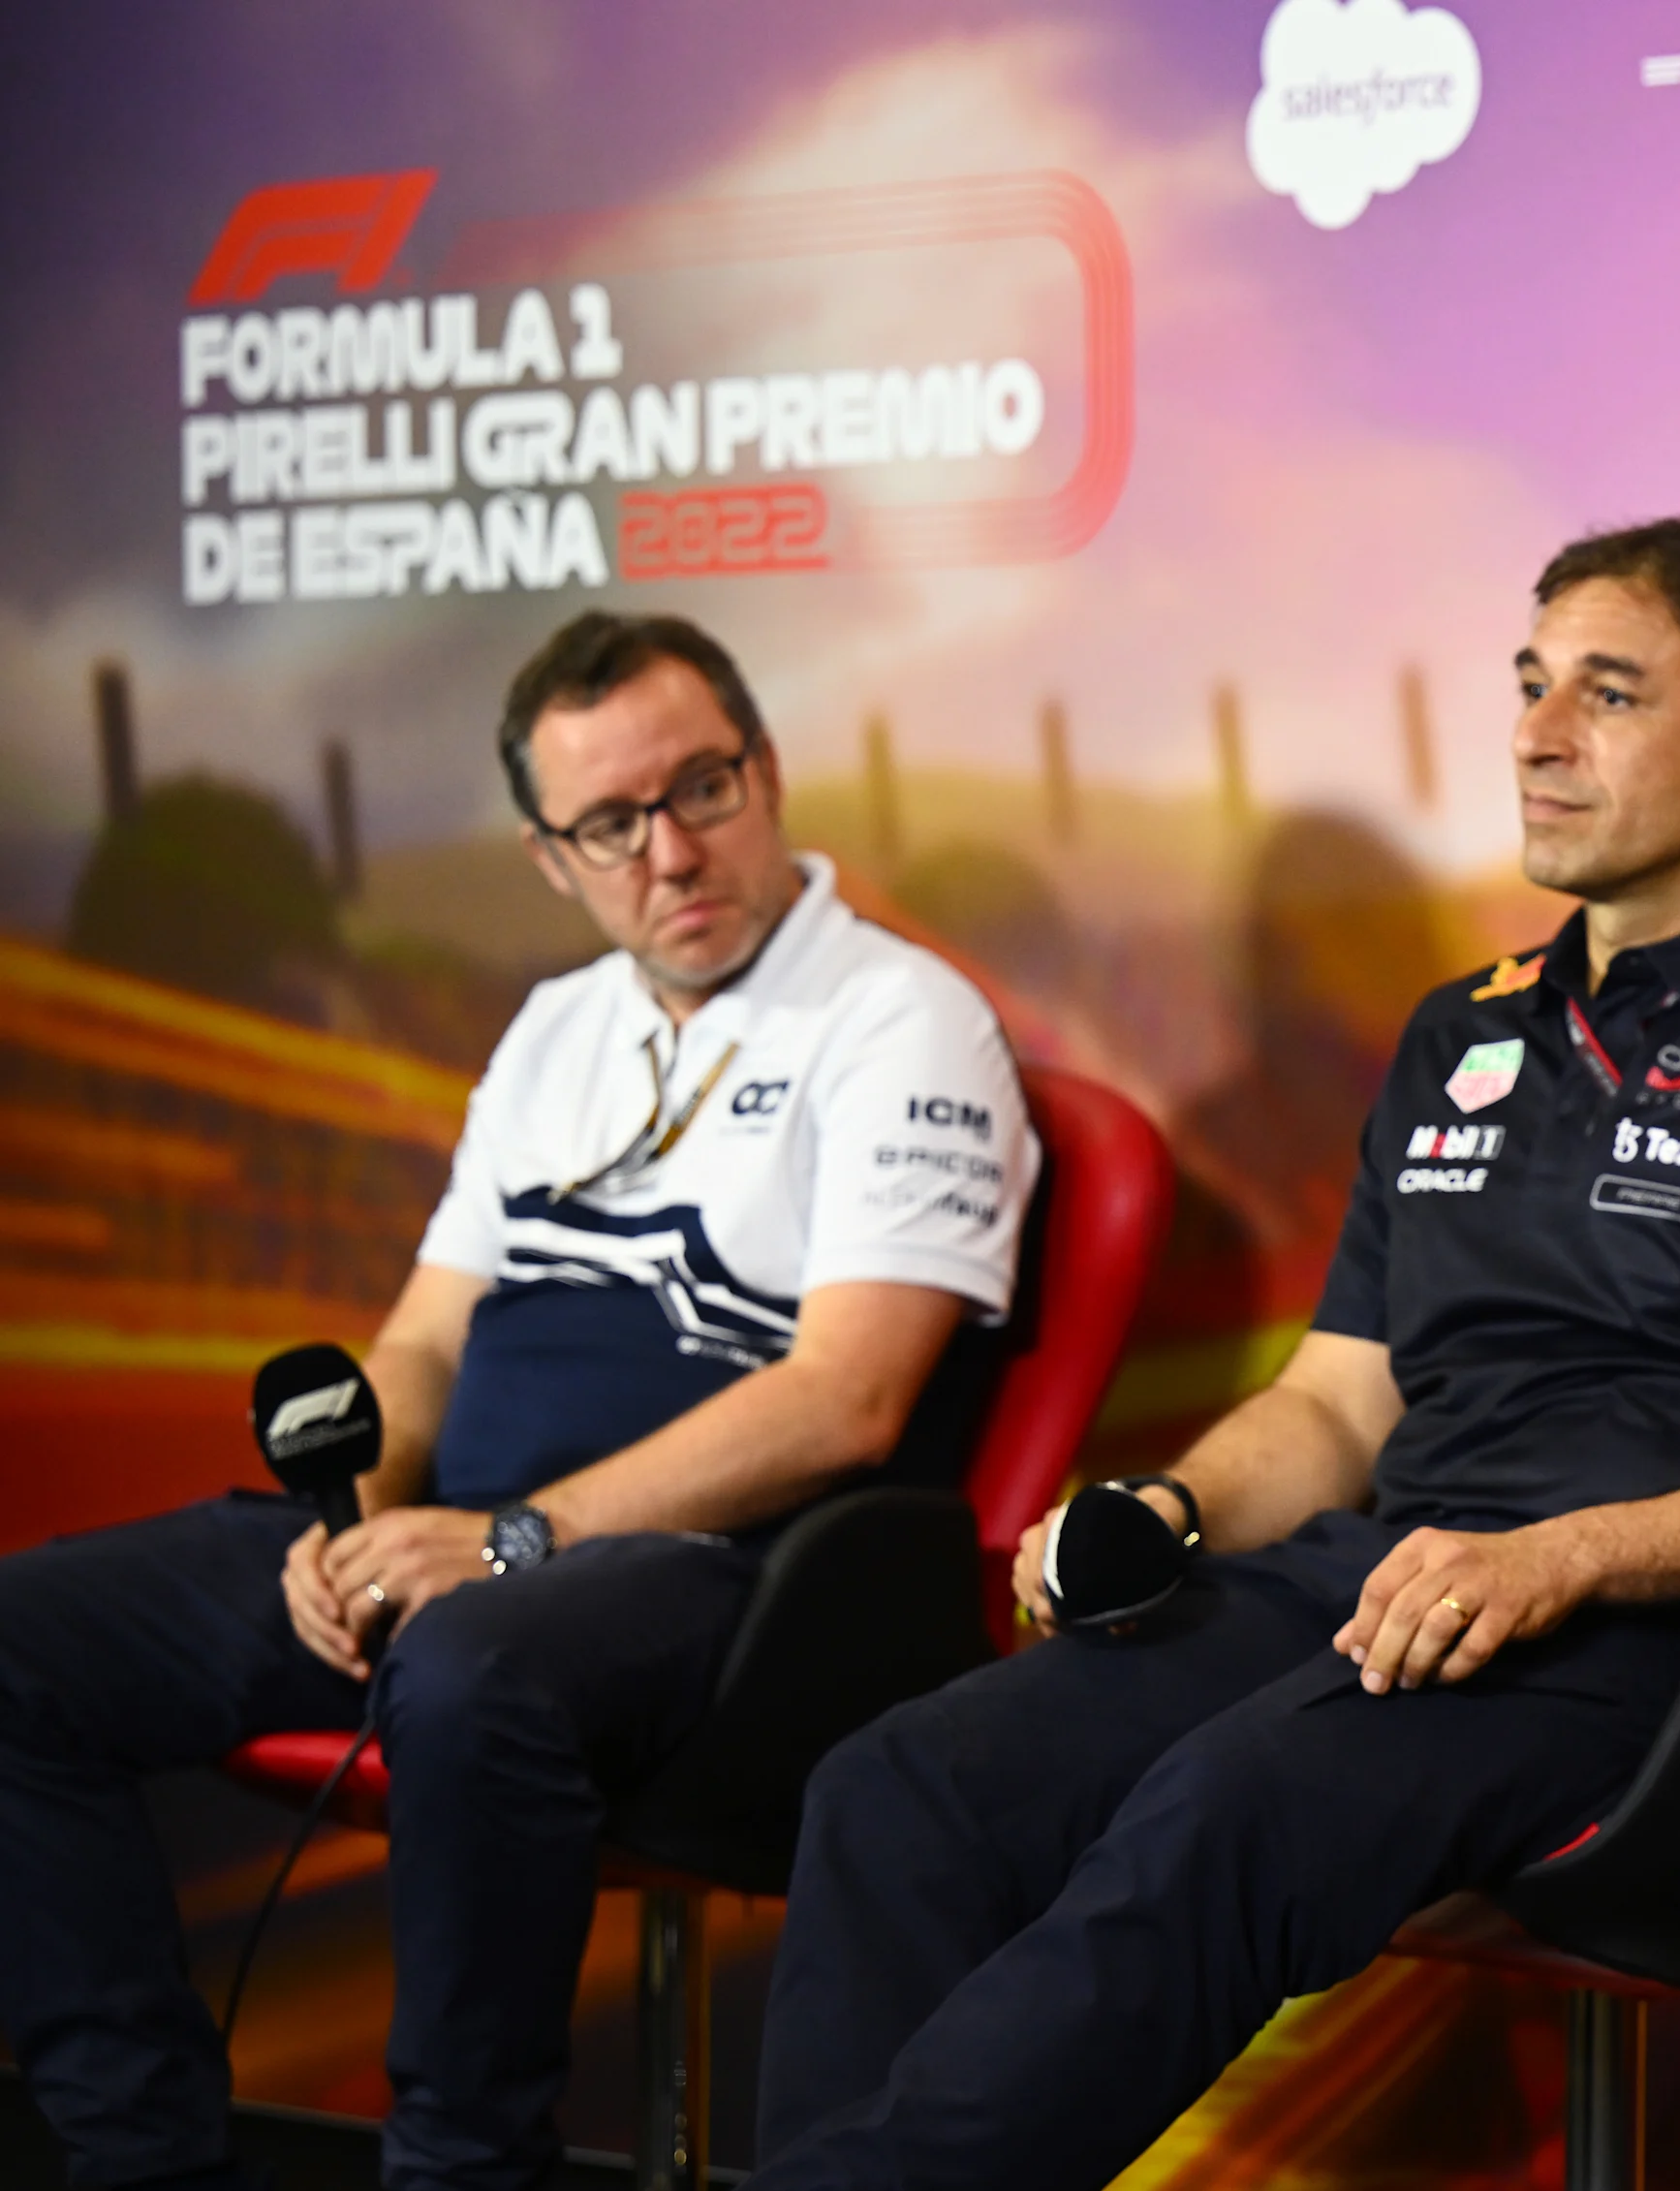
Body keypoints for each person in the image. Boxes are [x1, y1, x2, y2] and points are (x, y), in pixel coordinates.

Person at [749, 518, 1680, 2184]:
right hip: (1379, 1581)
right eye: (1530, 683)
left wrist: (1563, 1560)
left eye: (1612, 694)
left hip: (1664, 1645)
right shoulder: (1460, 1032)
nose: (1536, 734)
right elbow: (1337, 1402)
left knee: (1226, 1806)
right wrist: (1172, 1510)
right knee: (901, 1785)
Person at [0, 612, 1036, 2191]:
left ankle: (460, 2168)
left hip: (718, 1580)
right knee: (22, 1648)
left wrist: (504, 1543)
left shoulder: (904, 1019)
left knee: (474, 1668)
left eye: (700, 788)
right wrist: (351, 1522)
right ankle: (142, 2154)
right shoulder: (557, 1027)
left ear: (764, 772)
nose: (669, 852)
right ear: (554, 857)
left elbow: (848, 1401)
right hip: (461, 1541)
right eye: (610, 824)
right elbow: (420, 1340)